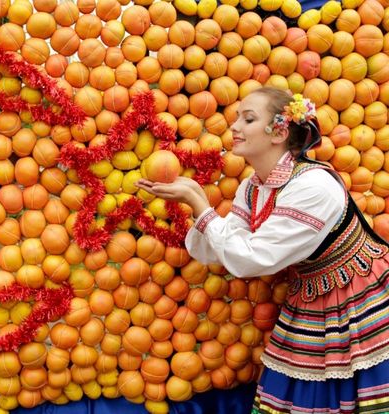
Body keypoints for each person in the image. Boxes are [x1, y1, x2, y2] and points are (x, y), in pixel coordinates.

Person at [136, 86, 389, 413]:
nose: (235, 127)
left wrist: (201, 203)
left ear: (279, 132)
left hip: (362, 293)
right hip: (313, 293)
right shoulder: (252, 188)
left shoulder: (314, 186)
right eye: (237, 118)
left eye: (248, 119)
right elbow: (219, 252)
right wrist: (197, 203)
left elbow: (254, 259)